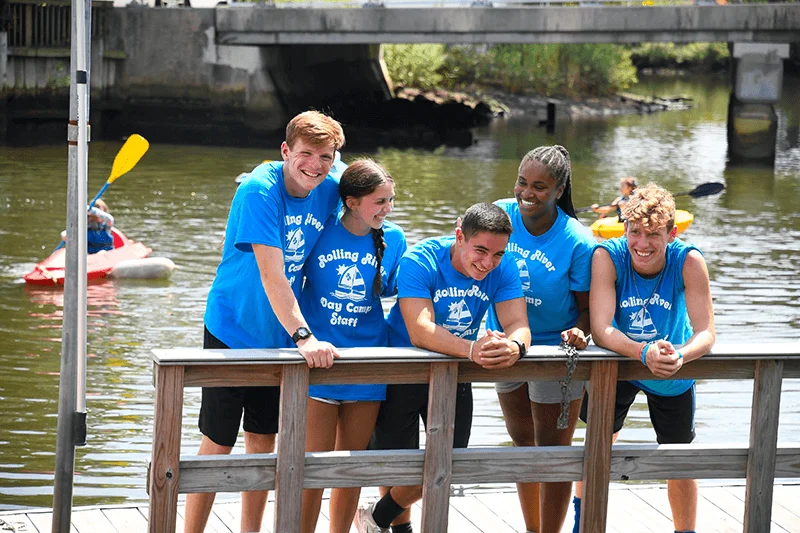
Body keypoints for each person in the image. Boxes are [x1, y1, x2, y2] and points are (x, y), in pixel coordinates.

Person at [184, 110, 346, 533]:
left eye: (326, 156)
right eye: (305, 154)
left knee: (262, 439)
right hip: (232, 327)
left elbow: (369, 193)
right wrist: (305, 336)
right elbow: (272, 273)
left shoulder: (330, 186)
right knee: (218, 442)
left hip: (278, 335)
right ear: (285, 151)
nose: (315, 165)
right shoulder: (259, 190)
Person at [356, 202, 532, 533]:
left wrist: (514, 347)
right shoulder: (420, 260)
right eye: (480, 250)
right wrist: (472, 349)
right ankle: (400, 528)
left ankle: (376, 517)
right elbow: (419, 329)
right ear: (459, 236)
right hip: (402, 369)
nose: (487, 263)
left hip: (455, 372)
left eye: (497, 254)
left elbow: (518, 323)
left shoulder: (504, 268)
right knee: (400, 462)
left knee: (451, 461)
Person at [573, 182, 715, 533]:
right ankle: (581, 525)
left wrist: (679, 356)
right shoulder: (607, 256)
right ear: (624, 229)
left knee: (678, 458)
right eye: (634, 232)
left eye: (653, 234)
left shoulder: (689, 260)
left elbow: (706, 333)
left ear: (672, 233)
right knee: (596, 448)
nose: (642, 244)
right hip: (619, 365)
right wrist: (641, 352)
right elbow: (601, 327)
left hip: (671, 369)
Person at [488, 145, 595, 533]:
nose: (527, 193)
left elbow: (587, 310)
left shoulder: (578, 241)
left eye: (539, 187)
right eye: (522, 182)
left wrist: (581, 330)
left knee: (553, 450)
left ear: (559, 190)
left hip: (554, 351)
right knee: (522, 444)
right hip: (504, 344)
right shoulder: (499, 216)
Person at [299, 159, 407, 533]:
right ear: (351, 201)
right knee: (312, 466)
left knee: (350, 466)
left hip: (367, 361)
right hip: (320, 362)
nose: (387, 209)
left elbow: (398, 290)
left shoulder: (394, 239)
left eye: (390, 200)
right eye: (379, 201)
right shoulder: (319, 231)